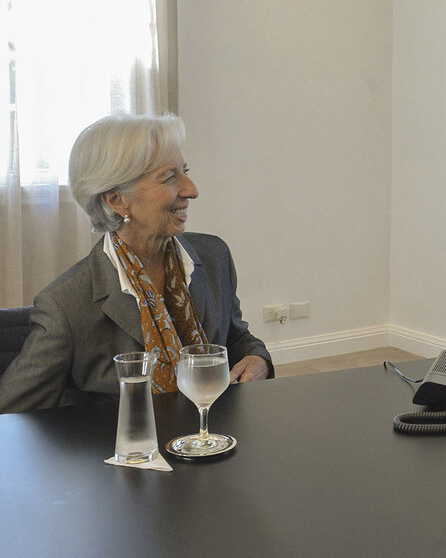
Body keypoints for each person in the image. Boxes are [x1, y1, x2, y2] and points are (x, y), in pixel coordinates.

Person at [0, 114, 272, 413]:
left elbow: (236, 339)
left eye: (185, 171)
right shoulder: (66, 303)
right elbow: (13, 413)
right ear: (116, 199)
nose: (191, 189)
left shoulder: (213, 255)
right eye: (169, 177)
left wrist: (257, 359)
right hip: (130, 454)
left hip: (215, 441)